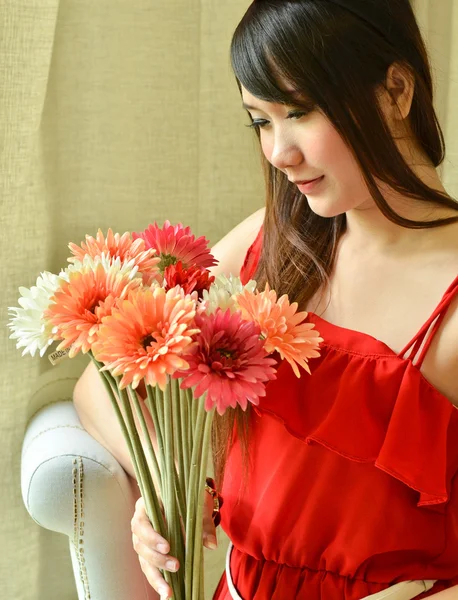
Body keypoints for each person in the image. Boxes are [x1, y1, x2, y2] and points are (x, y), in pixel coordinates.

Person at [73, 0, 458, 598]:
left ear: (397, 90)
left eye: (299, 111)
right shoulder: (271, 244)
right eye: (261, 121)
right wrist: (173, 483)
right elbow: (100, 384)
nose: (279, 152)